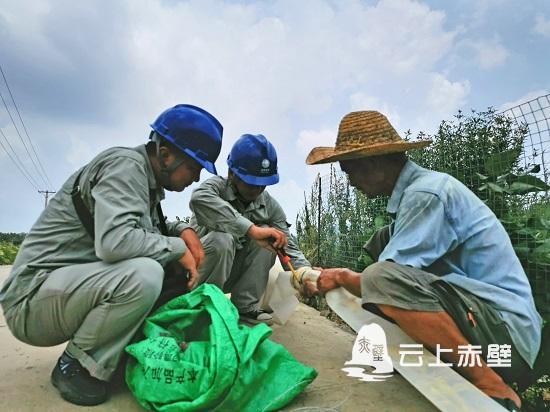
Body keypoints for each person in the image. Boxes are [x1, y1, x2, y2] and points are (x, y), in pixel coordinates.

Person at [305, 110, 542, 411]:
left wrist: (339, 277)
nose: (350, 182)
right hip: (484, 321)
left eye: (349, 171)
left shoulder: (425, 194)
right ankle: (432, 350)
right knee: (383, 241)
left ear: (373, 163)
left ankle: (491, 385)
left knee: (380, 277)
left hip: (507, 338)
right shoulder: (416, 194)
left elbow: (385, 279)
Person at [0, 104, 223, 406]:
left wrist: (182, 230)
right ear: (166, 154)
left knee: (167, 269)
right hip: (30, 301)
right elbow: (115, 242)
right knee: (145, 274)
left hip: (60, 292)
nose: (195, 178)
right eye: (194, 168)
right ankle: (76, 365)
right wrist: (177, 248)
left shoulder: (145, 182)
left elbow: (148, 229)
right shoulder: (125, 167)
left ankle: (114, 354)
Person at [189, 133, 316, 324]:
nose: (257, 189)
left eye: (262, 184)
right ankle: (202, 306)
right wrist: (251, 230)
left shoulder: (270, 206)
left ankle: (245, 308)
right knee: (222, 240)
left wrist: (306, 275)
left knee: (271, 238)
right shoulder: (214, 188)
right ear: (232, 173)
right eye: (251, 182)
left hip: (232, 273)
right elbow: (198, 199)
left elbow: (287, 246)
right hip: (197, 274)